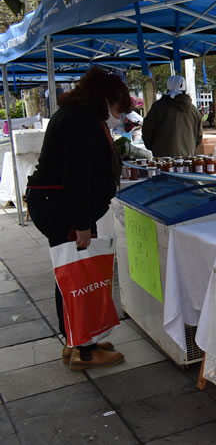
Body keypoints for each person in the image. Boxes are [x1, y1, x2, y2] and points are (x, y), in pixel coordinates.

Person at [26, 66, 131, 370]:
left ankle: (76, 340)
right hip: (63, 207)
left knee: (72, 272)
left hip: (57, 203)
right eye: (116, 107)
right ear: (105, 98)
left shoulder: (75, 114)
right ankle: (84, 351)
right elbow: (76, 176)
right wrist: (82, 224)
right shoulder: (82, 121)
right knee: (78, 274)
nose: (116, 114)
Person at [142, 75, 203, 157]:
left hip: (163, 158)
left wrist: (153, 147)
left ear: (168, 87)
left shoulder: (159, 107)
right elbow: (199, 137)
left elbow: (147, 130)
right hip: (187, 158)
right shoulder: (194, 110)